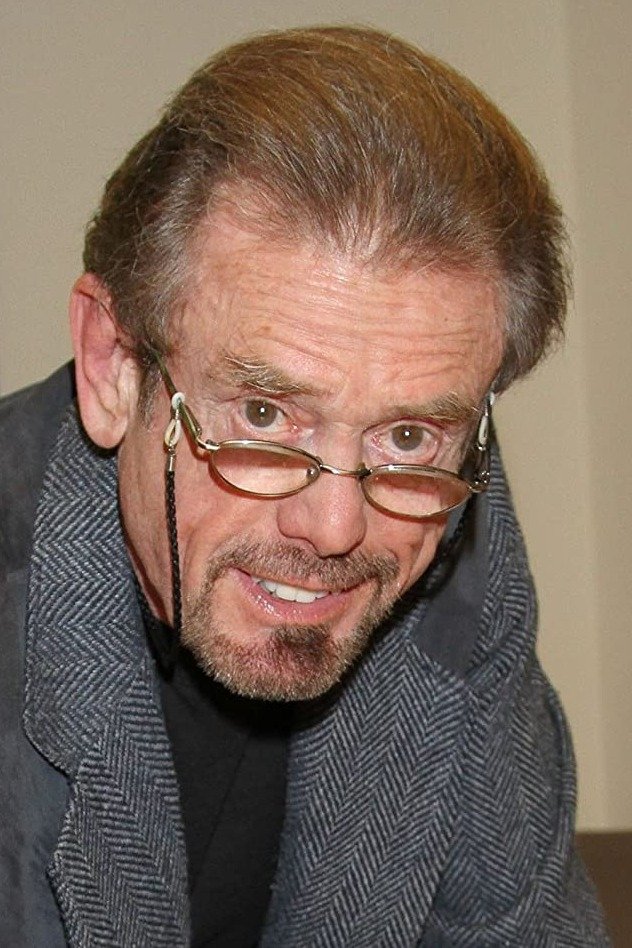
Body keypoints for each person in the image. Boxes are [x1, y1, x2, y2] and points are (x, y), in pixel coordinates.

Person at [0, 24, 610, 947]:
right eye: (264, 415)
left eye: (408, 433)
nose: (335, 525)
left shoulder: (451, 545)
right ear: (112, 366)